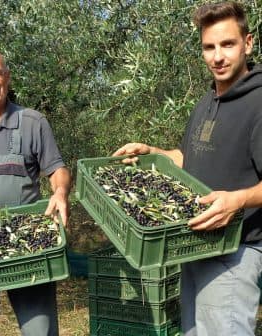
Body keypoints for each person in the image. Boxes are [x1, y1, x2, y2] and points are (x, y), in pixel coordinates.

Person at [113, 2, 262, 335]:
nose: (217, 56)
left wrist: (236, 201)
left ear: (248, 43)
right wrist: (155, 153)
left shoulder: (258, 102)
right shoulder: (208, 100)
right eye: (209, 47)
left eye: (227, 44)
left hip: (234, 251)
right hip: (197, 244)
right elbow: (189, 157)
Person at [0, 48, 72, 336]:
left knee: (39, 329)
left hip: (28, 247)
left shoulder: (33, 122)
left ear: (7, 78)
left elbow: (57, 168)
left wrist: (59, 192)